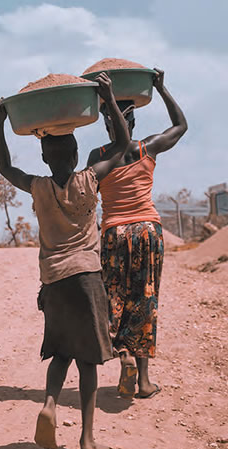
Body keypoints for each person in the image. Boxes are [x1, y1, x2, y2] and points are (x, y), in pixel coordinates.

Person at [0, 73, 129, 449]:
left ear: (43, 156)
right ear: (74, 154)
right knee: (87, 361)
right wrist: (108, 97)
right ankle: (86, 437)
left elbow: (5, 169)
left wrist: (1, 123)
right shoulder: (89, 179)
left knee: (59, 351)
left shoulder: (38, 187)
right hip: (87, 276)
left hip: (54, 280)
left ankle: (50, 405)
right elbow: (121, 145)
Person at [86, 68, 188, 399]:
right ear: (133, 123)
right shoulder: (148, 148)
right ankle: (143, 382)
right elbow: (181, 126)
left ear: (106, 122)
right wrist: (161, 86)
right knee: (145, 300)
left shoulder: (97, 157)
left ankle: (124, 355)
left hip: (115, 232)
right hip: (148, 230)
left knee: (114, 300)